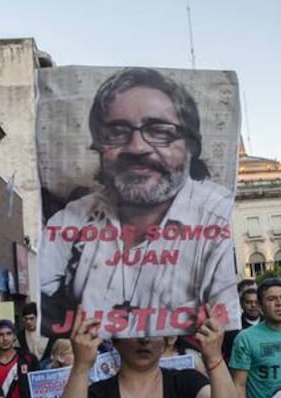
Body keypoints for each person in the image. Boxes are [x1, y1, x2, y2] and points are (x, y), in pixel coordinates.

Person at [40, 67, 239, 339]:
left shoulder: (216, 216)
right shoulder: (71, 218)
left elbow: (222, 315)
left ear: (191, 145)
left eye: (159, 131)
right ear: (99, 147)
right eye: (116, 132)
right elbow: (41, 292)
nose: (136, 148)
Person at [55, 303, 237, 398]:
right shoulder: (98, 395)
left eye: (153, 330)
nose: (145, 339)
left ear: (168, 339)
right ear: (115, 340)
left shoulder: (187, 382)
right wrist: (80, 366)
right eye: (134, 330)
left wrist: (214, 358)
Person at [231, 277, 281, 398]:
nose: (279, 303)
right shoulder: (245, 338)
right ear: (260, 305)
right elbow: (239, 384)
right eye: (271, 299)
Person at [223, 286, 263, 362]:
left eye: (256, 302)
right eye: (248, 302)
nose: (253, 305)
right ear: (241, 304)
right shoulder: (233, 328)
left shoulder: (269, 323)